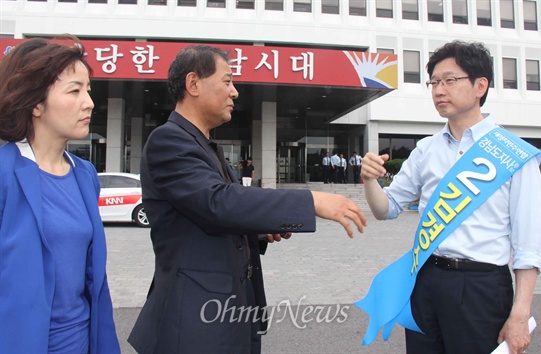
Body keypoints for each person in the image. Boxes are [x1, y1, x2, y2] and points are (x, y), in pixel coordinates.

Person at [128, 44, 367, 354]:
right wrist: (311, 202)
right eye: (227, 81)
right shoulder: (168, 140)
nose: (235, 92)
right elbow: (218, 203)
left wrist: (257, 230)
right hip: (195, 323)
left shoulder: (205, 146)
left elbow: (209, 213)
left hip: (231, 312)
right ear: (193, 84)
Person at [360, 40, 541, 354]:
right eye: (433, 82)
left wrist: (520, 313)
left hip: (481, 287)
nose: (438, 90)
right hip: (426, 280)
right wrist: (368, 180)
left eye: (449, 80)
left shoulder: (513, 155)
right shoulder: (426, 149)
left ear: (480, 86)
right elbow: (386, 209)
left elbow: (529, 247)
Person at [0, 36, 120, 353]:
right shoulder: (4, 173)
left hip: (81, 341)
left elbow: (92, 278)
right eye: (74, 90)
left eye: (89, 89)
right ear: (36, 103)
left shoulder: (85, 175)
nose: (89, 102)